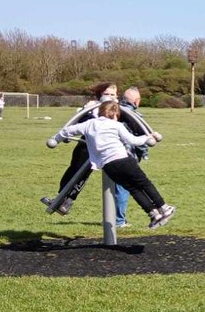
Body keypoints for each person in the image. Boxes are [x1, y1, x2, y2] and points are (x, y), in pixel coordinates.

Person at [50, 100, 175, 229]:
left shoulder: (88, 124)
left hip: (108, 166)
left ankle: (154, 214)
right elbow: (132, 140)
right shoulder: (116, 125)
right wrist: (148, 137)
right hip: (123, 160)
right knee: (144, 183)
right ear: (115, 114)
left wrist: (56, 139)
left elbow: (66, 131)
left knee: (133, 188)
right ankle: (164, 208)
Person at [41, 82, 117, 215]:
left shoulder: (118, 108)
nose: (109, 97)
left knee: (83, 174)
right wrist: (85, 111)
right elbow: (79, 123)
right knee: (73, 170)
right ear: (100, 94)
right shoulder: (92, 107)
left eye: (112, 94)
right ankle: (60, 199)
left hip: (103, 147)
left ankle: (67, 201)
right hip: (85, 144)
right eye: (106, 94)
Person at [113, 87, 150, 228]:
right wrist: (144, 153)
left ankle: (114, 218)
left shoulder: (112, 112)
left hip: (107, 155)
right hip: (125, 157)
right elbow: (141, 137)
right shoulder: (133, 116)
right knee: (124, 187)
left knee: (115, 187)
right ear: (136, 101)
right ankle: (119, 220)